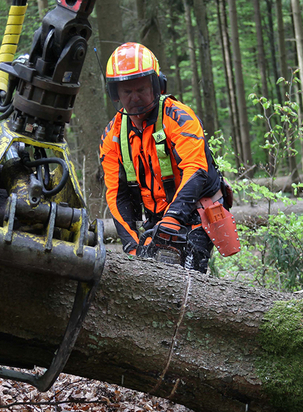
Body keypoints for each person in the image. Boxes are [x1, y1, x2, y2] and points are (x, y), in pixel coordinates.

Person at [99, 42, 234, 273]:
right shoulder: (112, 135)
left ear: (156, 86)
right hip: (157, 217)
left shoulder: (179, 117)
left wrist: (173, 217)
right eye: (127, 91)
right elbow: (116, 193)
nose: (135, 97)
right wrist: (131, 243)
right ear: (116, 93)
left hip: (197, 210)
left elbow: (196, 169)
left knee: (186, 275)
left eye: (141, 89)